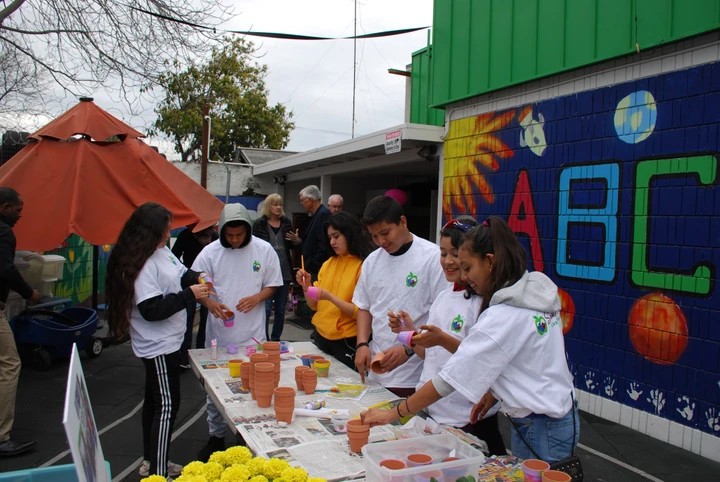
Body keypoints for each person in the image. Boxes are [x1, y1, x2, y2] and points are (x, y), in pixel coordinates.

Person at [362, 217, 578, 463]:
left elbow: (449, 379)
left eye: (468, 267)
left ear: (489, 261)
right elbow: (526, 360)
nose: (465, 275)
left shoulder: (502, 315)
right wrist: (495, 393)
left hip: (540, 424)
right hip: (547, 416)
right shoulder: (532, 290)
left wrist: (395, 413)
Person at [105, 202, 217, 478]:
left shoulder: (161, 251)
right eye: (165, 230)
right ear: (149, 232)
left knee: (155, 402)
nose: (169, 235)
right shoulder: (142, 265)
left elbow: (181, 272)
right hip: (157, 345)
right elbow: (152, 309)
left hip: (168, 340)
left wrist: (199, 276)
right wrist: (190, 294)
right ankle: (157, 470)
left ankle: (152, 460)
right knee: (167, 405)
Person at [388, 219, 506, 455]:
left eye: (455, 254)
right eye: (443, 253)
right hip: (436, 413)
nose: (449, 261)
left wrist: (442, 339)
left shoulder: (483, 302)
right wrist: (408, 332)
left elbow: (479, 360)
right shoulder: (442, 298)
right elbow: (429, 355)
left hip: (469, 418)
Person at [192, 203, 282, 460]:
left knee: (253, 384)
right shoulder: (209, 253)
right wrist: (209, 302)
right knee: (216, 386)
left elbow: (273, 284)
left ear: (247, 231)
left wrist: (256, 298)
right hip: (219, 333)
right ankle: (216, 435)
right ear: (221, 232)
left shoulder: (264, 250)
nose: (234, 240)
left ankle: (246, 436)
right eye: (229, 236)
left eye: (239, 235)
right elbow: (197, 284)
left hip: (252, 332)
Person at [353, 196, 449, 397]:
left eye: (385, 233)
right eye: (374, 236)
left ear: (403, 222)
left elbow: (442, 318)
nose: (381, 242)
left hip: (415, 374)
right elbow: (364, 306)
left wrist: (409, 349)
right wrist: (362, 343)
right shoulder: (372, 261)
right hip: (376, 368)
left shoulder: (432, 258)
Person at [296, 212, 375, 369]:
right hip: (321, 336)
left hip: (347, 340)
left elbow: (360, 312)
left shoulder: (363, 266)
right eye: (330, 237)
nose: (332, 242)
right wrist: (307, 285)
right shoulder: (328, 264)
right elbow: (313, 305)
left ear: (349, 233)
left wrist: (330, 297)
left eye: (336, 236)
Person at [0, 187, 39, 457]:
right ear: (4, 208)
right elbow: (5, 268)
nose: (20, 214)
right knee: (10, 363)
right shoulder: (4, 232)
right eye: (17, 209)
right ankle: (2, 436)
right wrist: (29, 292)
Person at [172, 225, 218, 366]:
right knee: (188, 317)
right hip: (190, 280)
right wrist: (184, 270)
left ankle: (201, 349)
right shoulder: (185, 235)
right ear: (195, 236)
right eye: (204, 238)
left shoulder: (215, 237)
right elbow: (174, 255)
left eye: (209, 237)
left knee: (206, 316)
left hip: (209, 281)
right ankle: (184, 354)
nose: (208, 241)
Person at [253, 194, 293, 341]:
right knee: (266, 308)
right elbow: (254, 248)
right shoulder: (259, 223)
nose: (278, 207)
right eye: (274, 204)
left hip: (284, 270)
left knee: (280, 309)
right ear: (268, 206)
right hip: (266, 271)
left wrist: (297, 240)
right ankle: (264, 337)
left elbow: (293, 245)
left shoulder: (286, 222)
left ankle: (276, 339)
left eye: (280, 205)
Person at [284, 185, 331, 281]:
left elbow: (323, 243)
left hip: (316, 269)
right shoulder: (317, 214)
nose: (301, 203)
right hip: (312, 266)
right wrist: (298, 241)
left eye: (302, 200)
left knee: (314, 295)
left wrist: (313, 265)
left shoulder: (323, 214)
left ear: (310, 200)